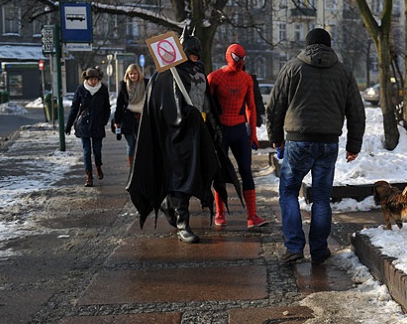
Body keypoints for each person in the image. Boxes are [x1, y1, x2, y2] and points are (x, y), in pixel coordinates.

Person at [266, 28, 365, 264]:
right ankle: (319, 250)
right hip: (328, 143)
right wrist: (354, 145)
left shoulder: (292, 68)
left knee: (289, 192)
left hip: (298, 141)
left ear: (307, 45)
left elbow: (275, 107)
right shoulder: (343, 72)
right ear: (329, 46)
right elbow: (356, 112)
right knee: (321, 198)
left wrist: (277, 137)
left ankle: (294, 247)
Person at [126, 28, 219, 244]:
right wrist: (184, 115)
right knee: (181, 177)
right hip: (175, 135)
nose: (196, 53)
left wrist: (212, 124)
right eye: (191, 51)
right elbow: (165, 106)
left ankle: (171, 206)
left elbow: (205, 99)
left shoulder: (198, 70)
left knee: (198, 172)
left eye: (198, 51)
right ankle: (182, 223)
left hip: (197, 131)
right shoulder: (168, 74)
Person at [207, 43, 268, 229]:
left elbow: (251, 107)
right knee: (218, 172)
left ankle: (252, 215)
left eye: (243, 58)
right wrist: (208, 131)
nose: (240, 62)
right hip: (221, 131)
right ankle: (220, 212)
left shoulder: (246, 79)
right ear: (229, 56)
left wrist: (253, 134)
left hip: (239, 130)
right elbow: (206, 106)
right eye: (237, 58)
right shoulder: (215, 77)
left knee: (246, 172)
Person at [65, 67, 111, 187]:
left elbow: (107, 107)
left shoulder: (103, 89)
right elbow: (74, 108)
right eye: (91, 79)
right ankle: (89, 175)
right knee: (86, 151)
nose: (93, 81)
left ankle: (98, 166)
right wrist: (68, 125)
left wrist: (104, 121)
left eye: (95, 79)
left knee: (97, 150)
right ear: (87, 79)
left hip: (98, 124)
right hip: (84, 124)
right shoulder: (81, 89)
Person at [113, 64, 148, 166]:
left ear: (139, 74)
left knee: (142, 144)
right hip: (128, 119)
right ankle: (132, 169)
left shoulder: (146, 84)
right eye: (131, 74)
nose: (133, 76)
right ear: (127, 75)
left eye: (135, 73)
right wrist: (117, 121)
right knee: (131, 144)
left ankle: (141, 167)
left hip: (143, 118)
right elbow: (119, 104)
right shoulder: (123, 85)